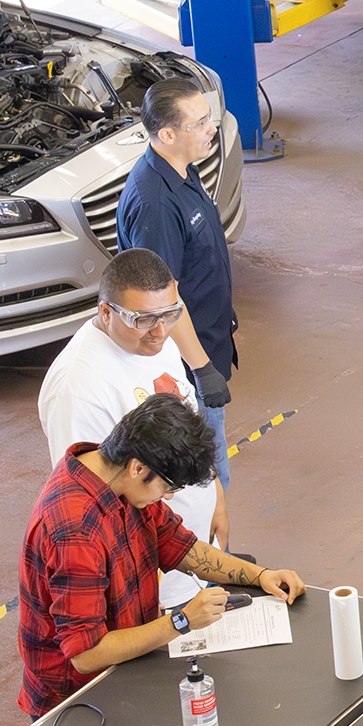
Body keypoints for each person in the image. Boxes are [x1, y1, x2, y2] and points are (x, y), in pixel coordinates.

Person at [17, 395, 305, 717]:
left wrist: (260, 574)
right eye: (168, 488)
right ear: (138, 468)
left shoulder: (120, 475)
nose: (167, 496)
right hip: (79, 703)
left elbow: (184, 548)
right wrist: (181, 621)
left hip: (127, 670)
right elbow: (87, 653)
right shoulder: (75, 532)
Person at [39, 246, 221, 611]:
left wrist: (213, 493)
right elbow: (89, 500)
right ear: (106, 312)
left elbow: (183, 421)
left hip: (192, 564)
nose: (159, 331)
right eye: (143, 319)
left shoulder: (153, 342)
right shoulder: (78, 390)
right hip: (153, 589)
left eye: (170, 314)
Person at [117, 77, 236, 489]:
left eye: (210, 118)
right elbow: (162, 302)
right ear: (167, 134)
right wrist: (202, 369)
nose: (211, 128)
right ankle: (212, 550)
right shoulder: (156, 203)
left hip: (209, 341)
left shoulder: (180, 169)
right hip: (188, 370)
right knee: (205, 478)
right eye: (200, 122)